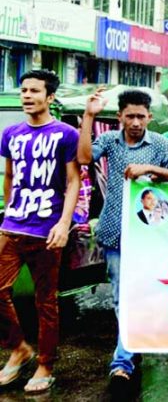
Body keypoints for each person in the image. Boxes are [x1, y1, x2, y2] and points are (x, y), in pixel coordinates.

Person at [77, 89, 168, 398]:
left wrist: (152, 170)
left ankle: (131, 350)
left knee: (152, 295)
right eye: (130, 116)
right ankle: (124, 362)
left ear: (149, 117)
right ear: (120, 117)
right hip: (116, 232)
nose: (136, 122)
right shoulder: (111, 142)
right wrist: (89, 115)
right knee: (119, 298)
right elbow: (84, 157)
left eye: (142, 116)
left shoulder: (159, 144)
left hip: (151, 235)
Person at [0, 70, 80, 394]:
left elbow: (73, 180)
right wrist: (9, 211)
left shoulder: (65, 134)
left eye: (34, 91)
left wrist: (64, 223)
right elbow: (9, 174)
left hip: (47, 230)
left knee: (45, 302)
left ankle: (46, 363)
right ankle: (18, 348)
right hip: (14, 226)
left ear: (50, 98)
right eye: (23, 90)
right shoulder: (10, 133)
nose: (27, 96)